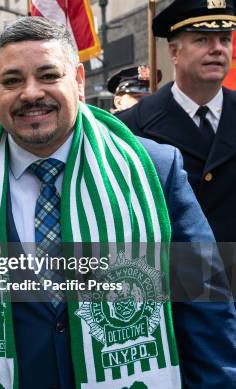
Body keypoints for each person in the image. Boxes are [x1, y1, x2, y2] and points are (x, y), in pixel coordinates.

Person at [0, 17, 236, 389]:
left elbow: (206, 303)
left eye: (47, 75)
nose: (30, 93)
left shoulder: (154, 168)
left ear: (77, 79)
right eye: (12, 81)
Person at [118, 0, 236, 285]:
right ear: (173, 51)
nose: (217, 49)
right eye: (201, 39)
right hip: (172, 286)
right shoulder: (130, 126)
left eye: (224, 39)